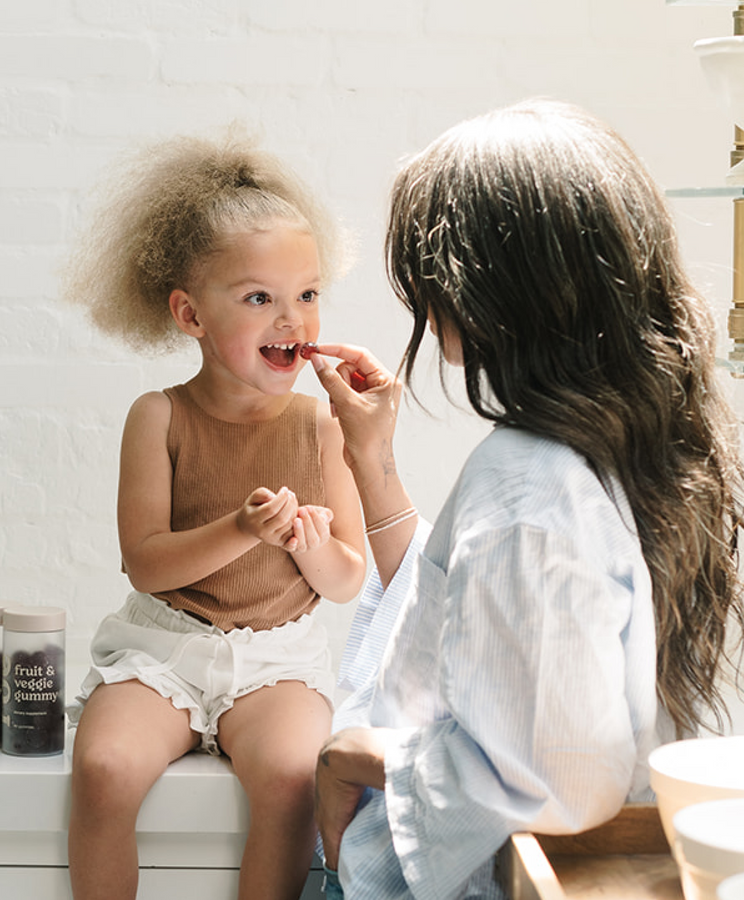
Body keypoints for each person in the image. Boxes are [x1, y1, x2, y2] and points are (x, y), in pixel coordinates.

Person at [308, 98, 744, 900]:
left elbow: (553, 780)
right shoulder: (635, 449)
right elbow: (482, 644)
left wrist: (354, 757)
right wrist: (373, 461)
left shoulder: (527, 489)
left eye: (427, 278)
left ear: (492, 290)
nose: (421, 304)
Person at [61, 134, 366, 900]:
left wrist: (310, 547)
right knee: (103, 769)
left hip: (277, 661)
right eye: (259, 297)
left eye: (308, 293)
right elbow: (148, 563)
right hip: (166, 648)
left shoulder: (323, 423)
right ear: (190, 313)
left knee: (296, 777)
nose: (291, 318)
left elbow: (348, 580)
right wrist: (242, 529)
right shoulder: (157, 416)